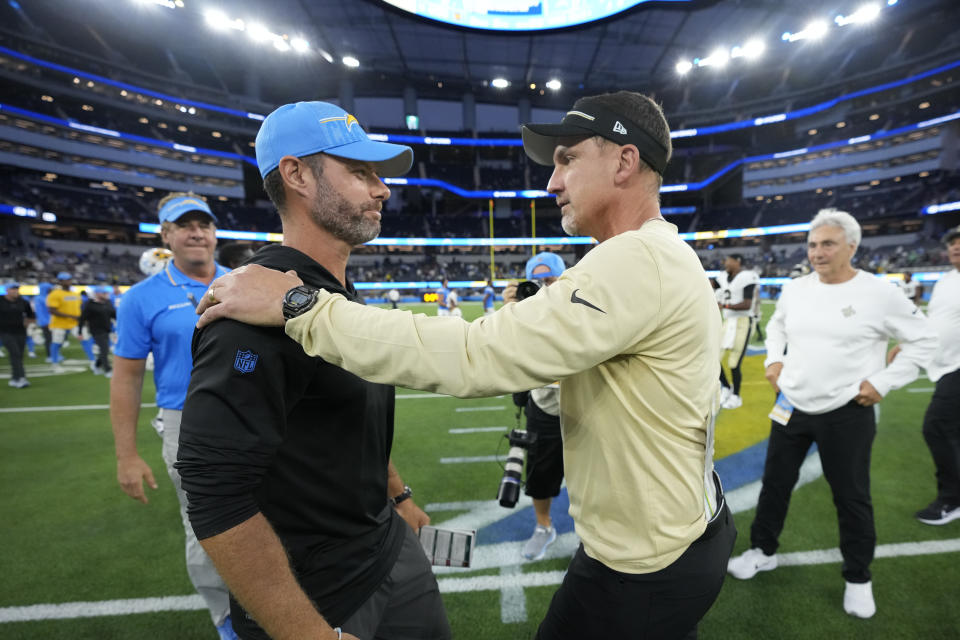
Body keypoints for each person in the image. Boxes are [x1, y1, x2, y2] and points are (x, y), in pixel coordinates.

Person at [195, 91, 736, 640]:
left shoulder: (636, 257)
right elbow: (216, 487)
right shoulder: (653, 255)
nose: (552, 182)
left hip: (643, 563)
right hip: (679, 528)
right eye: (360, 171)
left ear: (624, 160)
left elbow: (479, 357)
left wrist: (300, 307)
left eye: (567, 159)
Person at [177, 101, 449, 640]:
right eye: (359, 172)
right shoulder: (250, 310)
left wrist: (397, 496)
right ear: (296, 173)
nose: (382, 190)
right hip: (322, 595)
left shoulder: (332, 294)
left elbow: (353, 417)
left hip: (385, 548)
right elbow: (213, 490)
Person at [727, 208, 938, 619]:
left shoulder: (880, 293)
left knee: (851, 496)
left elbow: (924, 340)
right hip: (791, 403)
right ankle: (762, 550)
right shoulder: (795, 288)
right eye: (812, 244)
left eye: (828, 244)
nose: (817, 253)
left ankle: (858, 577)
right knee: (774, 483)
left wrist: (884, 382)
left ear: (852, 247)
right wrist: (773, 361)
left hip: (847, 409)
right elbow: (777, 327)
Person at [109, 193, 236, 640]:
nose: (196, 232)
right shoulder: (141, 298)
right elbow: (125, 379)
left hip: (252, 416)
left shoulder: (244, 281)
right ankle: (226, 618)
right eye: (184, 225)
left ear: (215, 231)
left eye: (204, 223)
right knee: (203, 524)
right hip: (187, 423)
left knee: (272, 513)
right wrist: (127, 455)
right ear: (166, 236)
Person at [510, 252, 566, 561]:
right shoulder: (522, 312)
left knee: (597, 469)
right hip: (543, 401)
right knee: (541, 471)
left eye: (550, 281)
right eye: (536, 283)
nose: (543, 290)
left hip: (586, 403)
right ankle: (544, 526)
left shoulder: (580, 303)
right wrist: (511, 313)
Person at [910, 225, 960, 525]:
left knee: (937, 427)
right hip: (945, 366)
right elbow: (934, 322)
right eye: (953, 242)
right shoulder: (945, 281)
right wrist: (908, 346)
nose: (955, 246)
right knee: (952, 431)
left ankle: (951, 500)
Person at [715, 254, 759, 410]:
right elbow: (714, 290)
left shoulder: (747, 277)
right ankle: (726, 388)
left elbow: (747, 304)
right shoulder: (722, 277)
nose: (725, 262)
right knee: (714, 359)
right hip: (728, 322)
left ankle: (736, 396)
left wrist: (725, 306)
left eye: (729, 260)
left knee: (734, 363)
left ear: (737, 261)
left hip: (743, 322)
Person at [45, 271, 82, 372]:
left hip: (74, 323)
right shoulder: (54, 294)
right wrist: (71, 316)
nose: (68, 282)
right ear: (60, 282)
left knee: (85, 339)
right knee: (56, 343)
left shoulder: (75, 294)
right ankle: (54, 363)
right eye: (65, 280)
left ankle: (93, 361)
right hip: (59, 324)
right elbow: (52, 310)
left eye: (69, 279)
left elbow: (78, 308)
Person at [0, 282, 34, 388]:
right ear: (7, 290)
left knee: (19, 355)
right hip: (5, 332)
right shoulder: (1, 301)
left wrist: (27, 323)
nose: (15, 291)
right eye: (12, 289)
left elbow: (31, 315)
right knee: (15, 353)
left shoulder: (23, 302)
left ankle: (14, 378)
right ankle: (21, 378)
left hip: (20, 332)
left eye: (16, 289)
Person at [80, 285, 116, 377]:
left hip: (107, 329)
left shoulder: (107, 303)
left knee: (104, 350)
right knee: (105, 349)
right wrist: (80, 331)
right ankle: (108, 370)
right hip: (96, 330)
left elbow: (113, 314)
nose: (106, 294)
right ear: (97, 294)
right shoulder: (90, 304)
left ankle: (97, 366)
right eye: (104, 293)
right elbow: (82, 318)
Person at [34, 281, 53, 362]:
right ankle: (49, 356)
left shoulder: (49, 297)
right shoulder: (39, 298)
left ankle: (54, 354)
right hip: (46, 323)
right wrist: (44, 322)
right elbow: (39, 312)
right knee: (49, 339)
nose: (51, 290)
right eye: (49, 288)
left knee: (54, 339)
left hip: (53, 322)